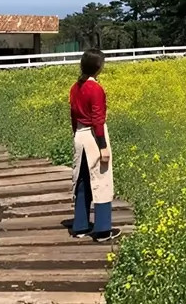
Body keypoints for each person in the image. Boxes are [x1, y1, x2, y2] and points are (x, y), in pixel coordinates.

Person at [69, 49, 121, 242]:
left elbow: (73, 115)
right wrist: (103, 146)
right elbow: (97, 119)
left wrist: (76, 135)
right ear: (98, 66)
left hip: (80, 136)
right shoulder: (95, 89)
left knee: (82, 180)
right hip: (93, 135)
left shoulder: (75, 87)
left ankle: (80, 225)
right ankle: (102, 229)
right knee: (101, 181)